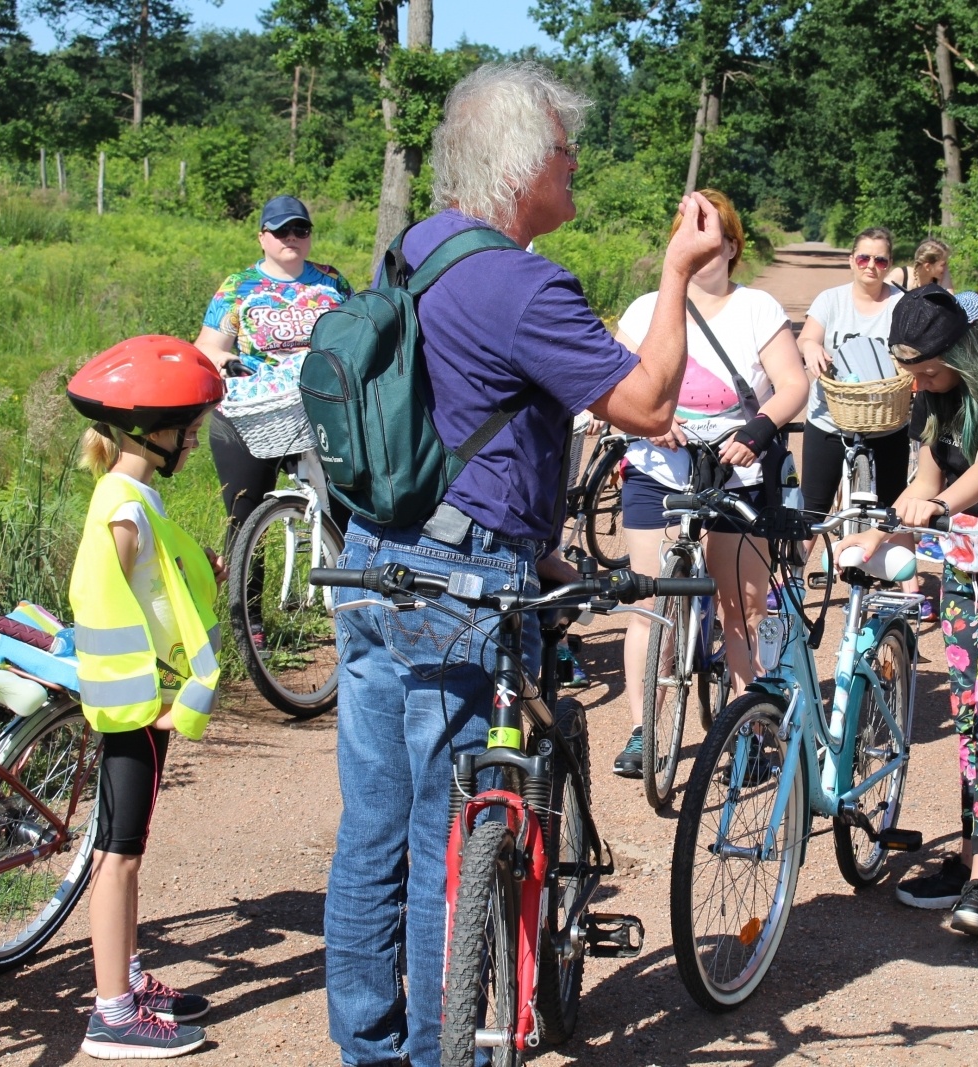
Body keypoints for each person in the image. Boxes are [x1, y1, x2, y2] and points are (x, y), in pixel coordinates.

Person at [322, 63, 725, 1067]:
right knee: (440, 830)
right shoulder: (523, 282)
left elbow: (451, 401)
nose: (573, 163)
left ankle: (366, 1045)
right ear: (517, 165)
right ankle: (434, 1051)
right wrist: (677, 275)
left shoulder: (415, 249)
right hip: (460, 586)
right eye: (562, 149)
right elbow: (648, 407)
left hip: (376, 559)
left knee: (371, 825)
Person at [833, 287, 978, 936]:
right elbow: (926, 474)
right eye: (913, 373)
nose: (920, 383)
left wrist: (939, 506)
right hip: (959, 558)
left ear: (957, 349)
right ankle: (970, 853)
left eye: (926, 369)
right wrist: (885, 532)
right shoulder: (937, 391)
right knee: (966, 713)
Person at [65, 336, 227, 1059]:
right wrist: (142, 706)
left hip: (142, 703)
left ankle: (124, 973)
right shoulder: (123, 510)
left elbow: (149, 589)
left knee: (127, 847)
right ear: (152, 432)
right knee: (118, 853)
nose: (194, 437)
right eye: (187, 427)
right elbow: (99, 607)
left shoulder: (136, 496)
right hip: (133, 707)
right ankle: (112, 1013)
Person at [610, 189, 808, 777]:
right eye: (686, 232)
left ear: (732, 246)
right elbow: (616, 381)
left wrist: (759, 430)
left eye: (711, 234)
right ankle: (647, 727)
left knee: (740, 609)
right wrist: (648, 419)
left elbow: (792, 384)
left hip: (735, 475)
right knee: (650, 608)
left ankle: (748, 731)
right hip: (656, 471)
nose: (699, 246)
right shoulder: (647, 309)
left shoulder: (758, 310)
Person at [194, 196, 353, 549]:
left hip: (320, 408)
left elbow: (355, 336)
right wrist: (226, 362)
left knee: (345, 511)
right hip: (255, 412)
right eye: (281, 230)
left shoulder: (332, 283)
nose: (291, 237)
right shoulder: (239, 287)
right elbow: (206, 346)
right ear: (262, 237)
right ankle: (244, 600)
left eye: (300, 229)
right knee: (245, 519)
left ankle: (342, 594)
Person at [797, 228, 909, 518]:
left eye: (881, 261)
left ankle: (888, 558)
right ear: (851, 261)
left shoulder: (903, 305)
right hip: (830, 417)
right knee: (813, 510)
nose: (871, 266)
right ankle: (796, 564)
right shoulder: (831, 300)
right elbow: (807, 338)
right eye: (863, 258)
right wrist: (811, 348)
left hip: (888, 420)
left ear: (889, 265)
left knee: (891, 512)